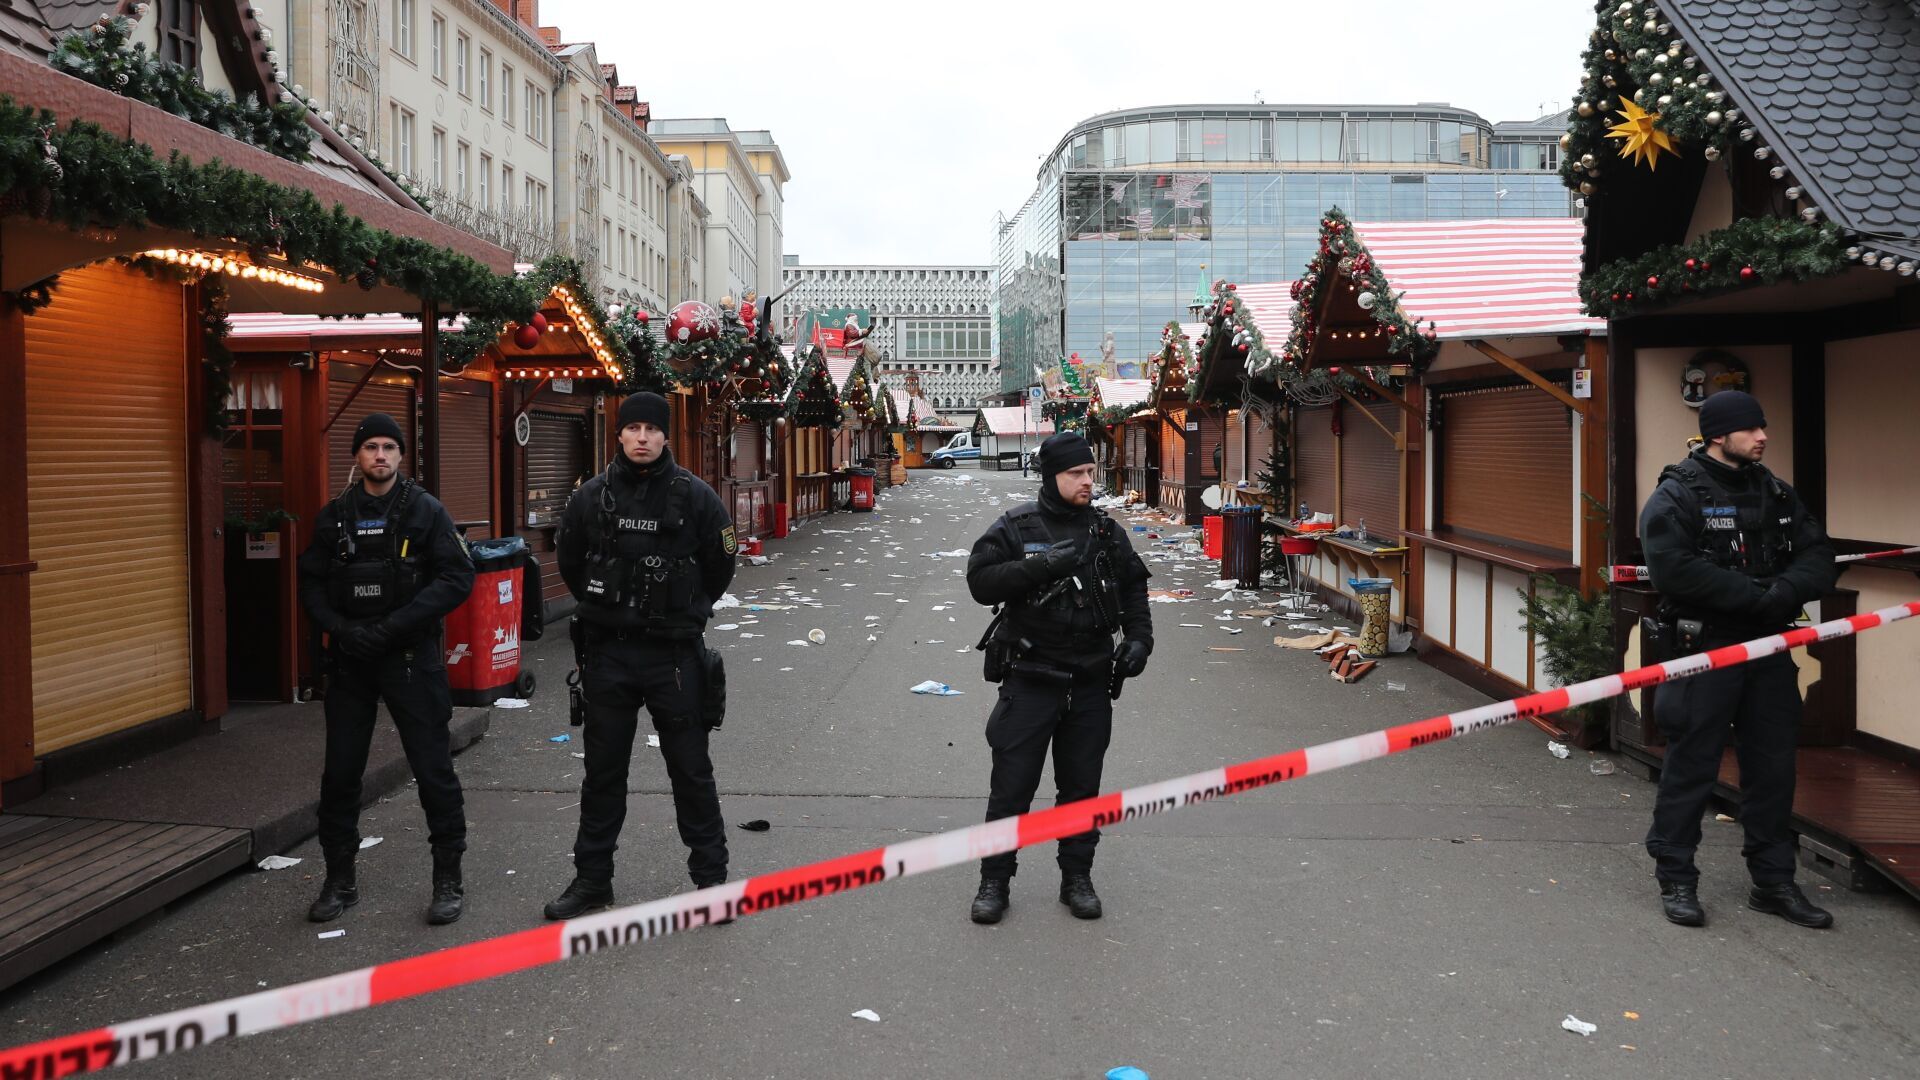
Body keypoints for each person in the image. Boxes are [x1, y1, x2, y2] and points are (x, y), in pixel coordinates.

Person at [1639, 390, 1837, 929]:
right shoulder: (1677, 496)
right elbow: (1673, 571)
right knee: (1691, 766)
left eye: (1763, 426)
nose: (1763, 436)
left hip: (1770, 649)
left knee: (1772, 768)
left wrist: (1783, 593)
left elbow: (1819, 555)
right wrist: (1759, 597)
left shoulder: (1774, 492)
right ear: (1719, 435)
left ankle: (1774, 882)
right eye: (1752, 429)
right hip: (1705, 650)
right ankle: (1676, 877)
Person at [545, 392, 738, 920]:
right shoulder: (590, 497)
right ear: (620, 434)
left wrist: (690, 609)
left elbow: (722, 561)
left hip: (674, 657)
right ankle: (592, 882)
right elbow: (570, 560)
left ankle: (711, 882)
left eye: (653, 429)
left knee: (691, 771)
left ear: (666, 435)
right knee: (602, 775)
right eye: (633, 428)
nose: (643, 438)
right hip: (609, 656)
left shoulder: (696, 497)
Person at [964, 431, 1153, 924]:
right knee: (1011, 789)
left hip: (1090, 680)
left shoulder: (1106, 533)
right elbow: (980, 583)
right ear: (1052, 477)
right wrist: (1038, 567)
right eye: (1076, 474)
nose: (1087, 481)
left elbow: (1134, 590)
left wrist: (1138, 640)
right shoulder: (1015, 526)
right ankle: (994, 881)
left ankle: (1077, 877)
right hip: (1030, 677)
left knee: (1081, 788)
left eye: (1090, 472)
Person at [297, 413, 475, 925]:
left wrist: (395, 625)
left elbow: (457, 577)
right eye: (370, 447)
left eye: (388, 447)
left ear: (401, 456)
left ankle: (448, 881)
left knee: (433, 771)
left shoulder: (426, 512)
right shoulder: (333, 518)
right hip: (352, 661)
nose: (379, 455)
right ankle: (339, 880)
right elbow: (309, 583)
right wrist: (343, 629)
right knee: (340, 775)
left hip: (410, 659)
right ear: (357, 455)